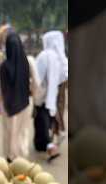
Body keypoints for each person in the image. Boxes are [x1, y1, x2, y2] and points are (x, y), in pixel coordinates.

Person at [0, 33, 37, 162]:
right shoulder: (28, 61)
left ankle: (10, 158)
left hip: (8, 105)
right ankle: (22, 158)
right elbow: (36, 83)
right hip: (25, 103)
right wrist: (35, 97)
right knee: (22, 132)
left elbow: (0, 87)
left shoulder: (4, 66)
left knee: (9, 133)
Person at [34, 31, 68, 161]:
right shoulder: (61, 58)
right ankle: (42, 144)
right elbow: (65, 75)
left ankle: (49, 146)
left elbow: (37, 76)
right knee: (47, 118)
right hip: (55, 94)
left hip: (43, 94)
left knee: (41, 118)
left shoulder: (44, 56)